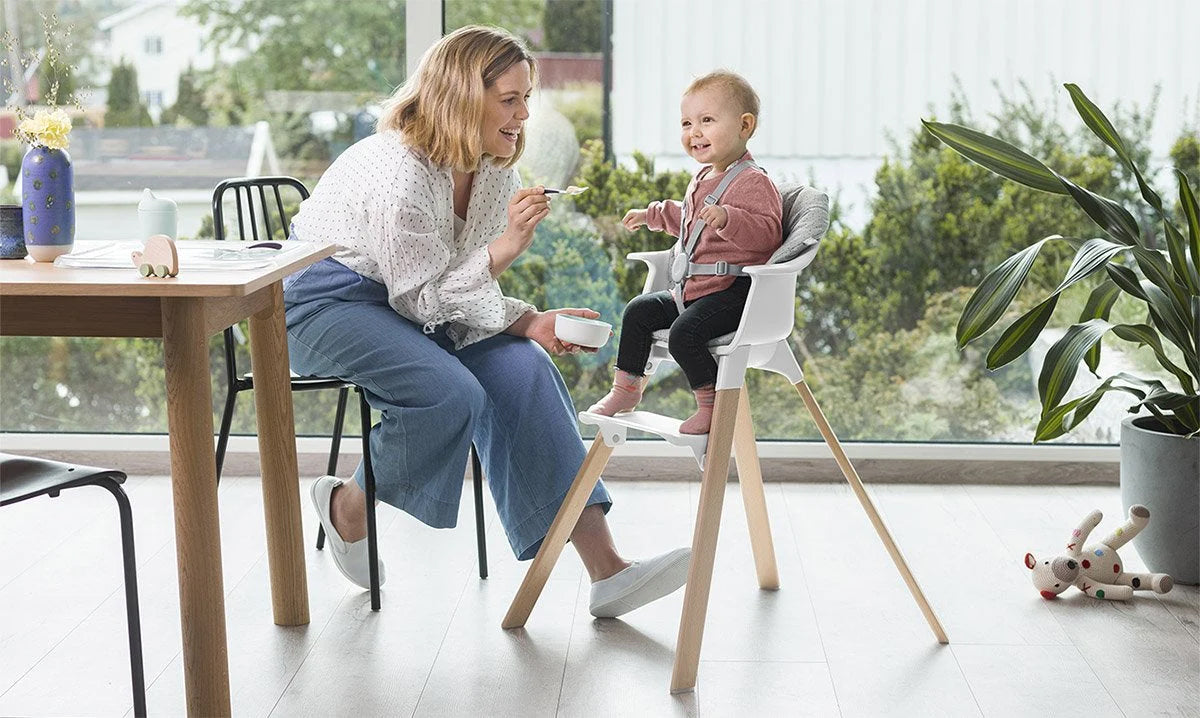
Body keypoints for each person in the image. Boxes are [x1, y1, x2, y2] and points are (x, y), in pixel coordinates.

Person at [283, 26, 689, 619]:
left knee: (525, 370)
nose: (524, 114)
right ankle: (348, 506)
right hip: (328, 305)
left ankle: (608, 571)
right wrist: (506, 249)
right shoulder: (399, 175)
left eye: (527, 99)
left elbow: (453, 287)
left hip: (412, 301)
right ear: (460, 97)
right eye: (509, 99)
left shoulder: (494, 168)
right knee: (448, 393)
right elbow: (425, 301)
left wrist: (527, 324)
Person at [589, 71, 783, 434]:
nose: (694, 131)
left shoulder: (753, 182)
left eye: (707, 121)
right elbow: (689, 220)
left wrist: (729, 218)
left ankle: (710, 404)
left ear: (744, 126)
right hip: (694, 291)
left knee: (683, 334)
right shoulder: (704, 177)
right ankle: (626, 389)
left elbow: (769, 235)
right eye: (686, 123)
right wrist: (653, 215)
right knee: (638, 311)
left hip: (734, 293)